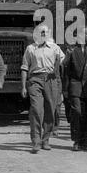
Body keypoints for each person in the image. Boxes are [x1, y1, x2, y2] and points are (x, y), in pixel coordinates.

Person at [21, 25, 65, 154]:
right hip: (35, 80)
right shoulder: (30, 48)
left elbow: (64, 62)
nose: (43, 34)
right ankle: (36, 141)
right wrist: (23, 86)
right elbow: (24, 67)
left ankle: (45, 139)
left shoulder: (55, 48)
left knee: (51, 110)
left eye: (45, 32)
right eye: (41, 32)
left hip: (51, 80)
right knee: (36, 109)